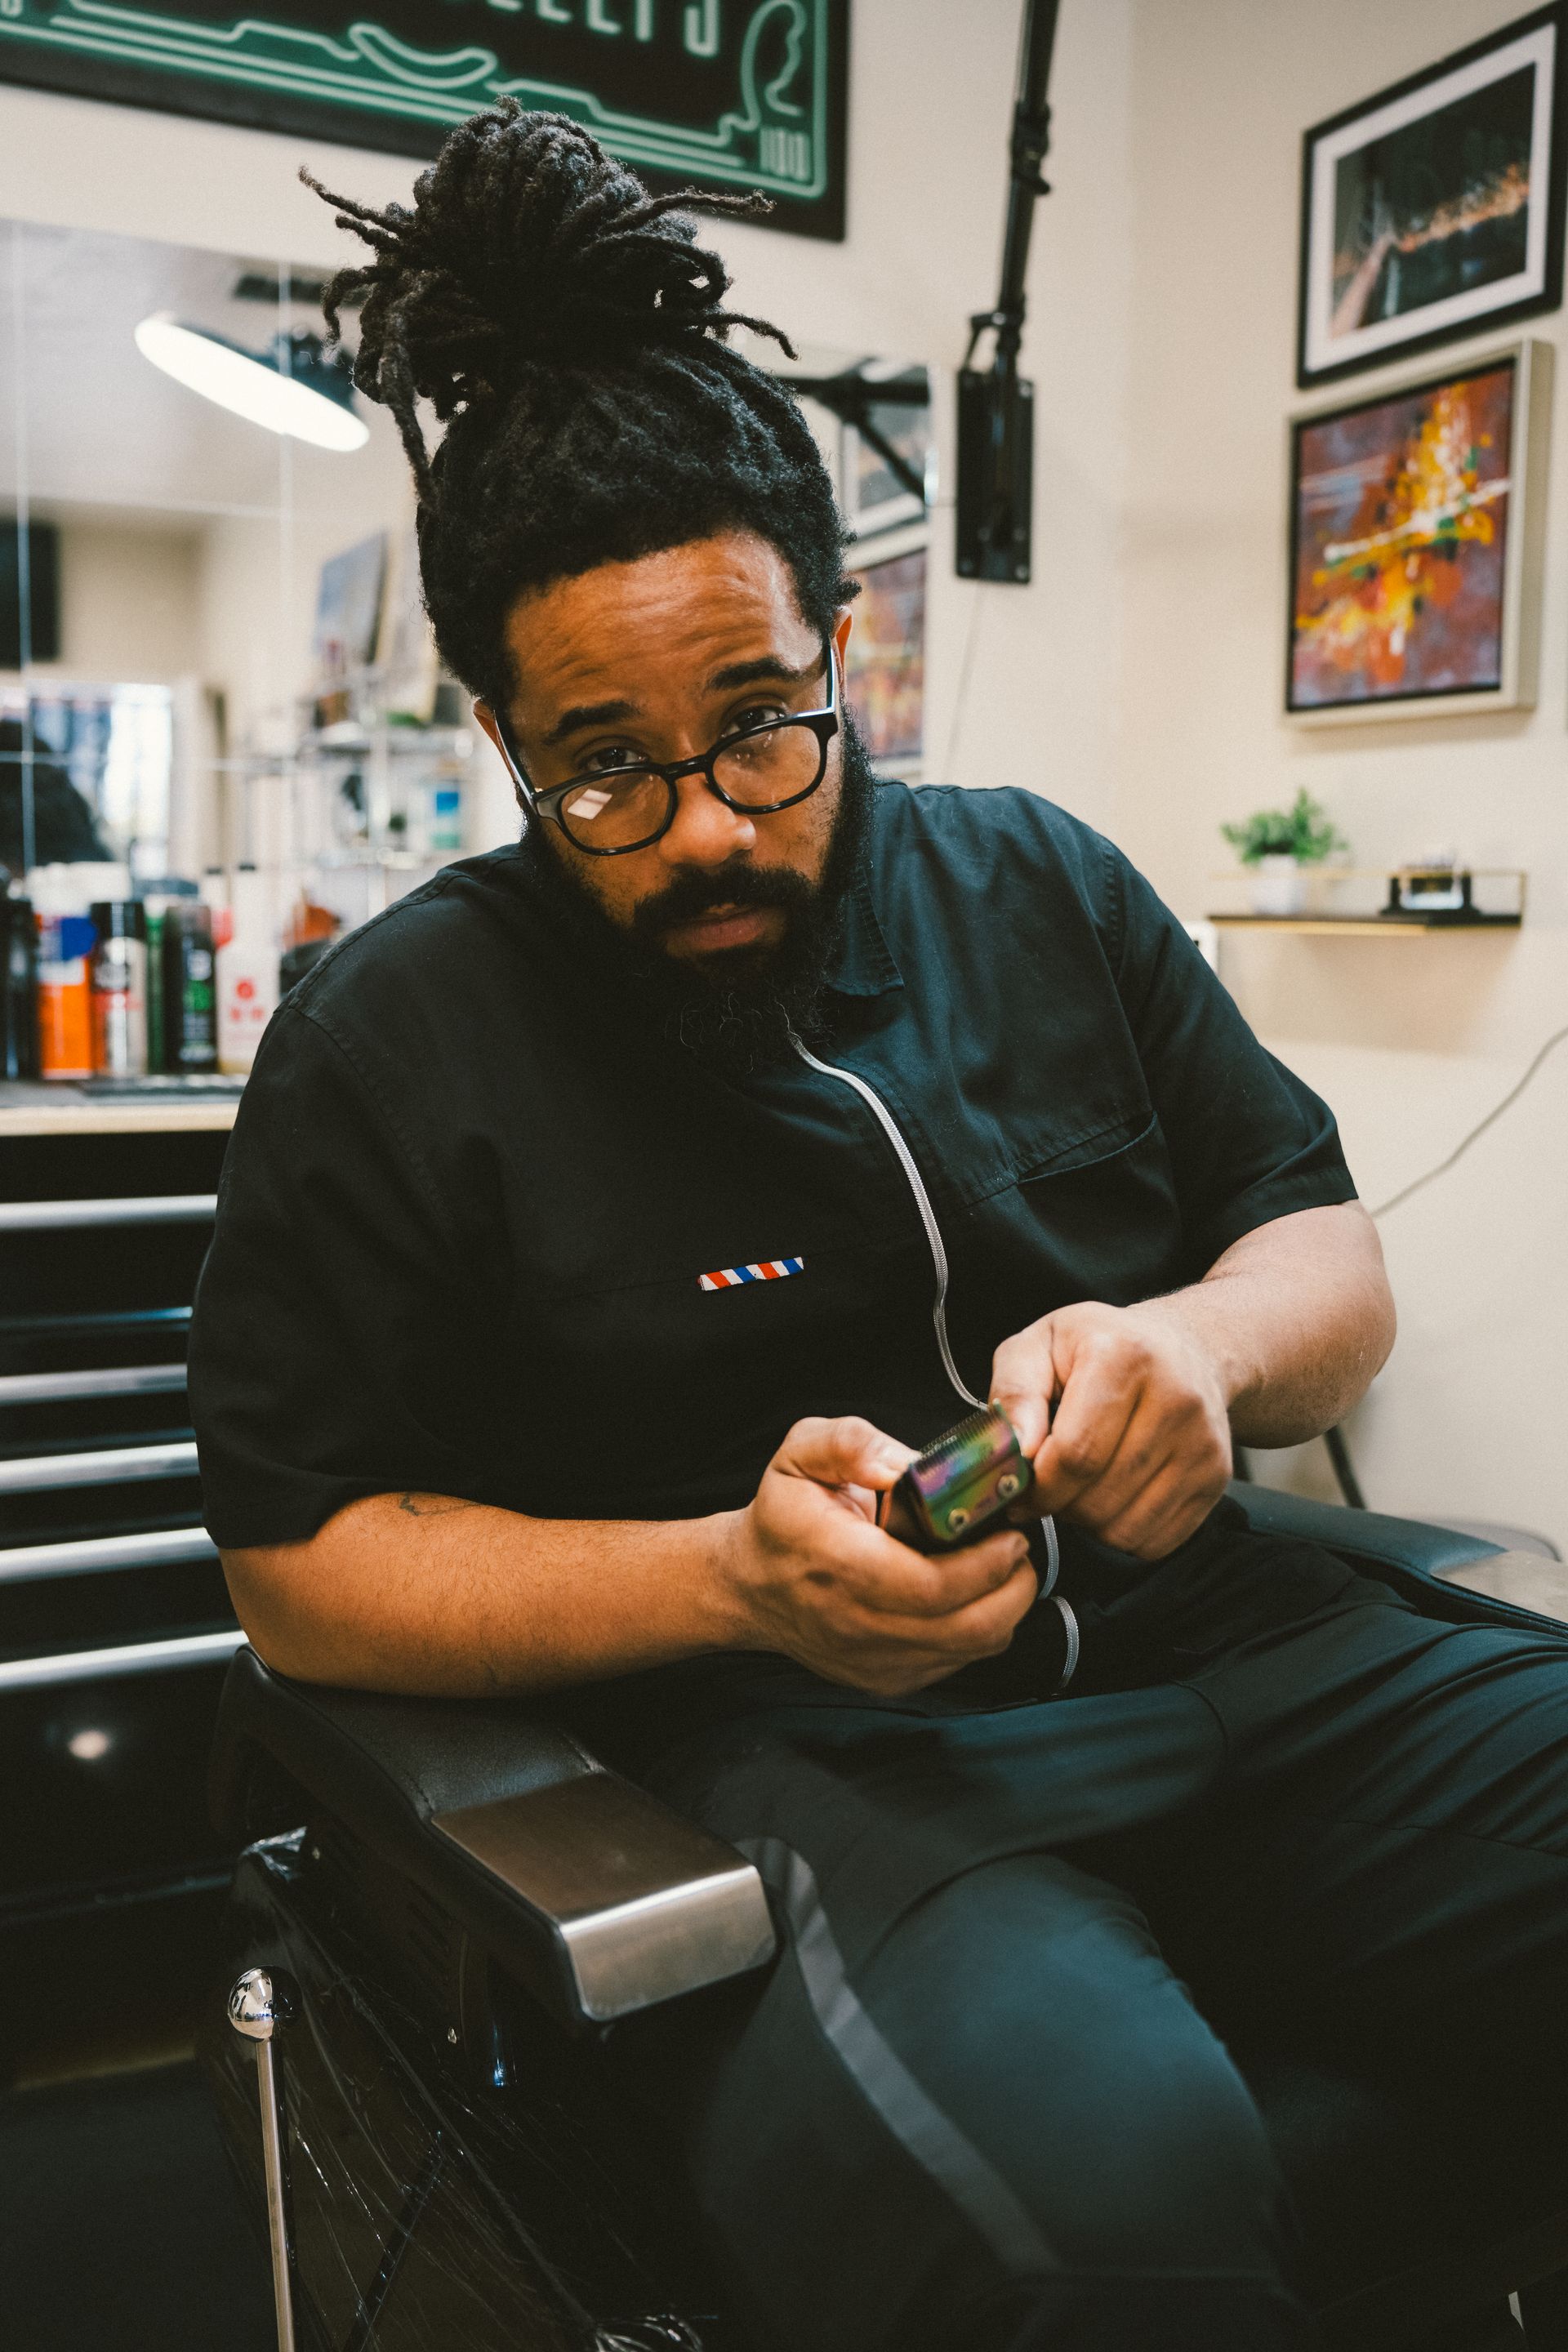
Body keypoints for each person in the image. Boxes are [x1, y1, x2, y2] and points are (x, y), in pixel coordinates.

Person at [189, 105, 1568, 2352]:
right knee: (1104, 2204)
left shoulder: (1041, 881)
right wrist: (721, 1577)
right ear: (501, 738)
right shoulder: (394, 1034)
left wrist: (1200, 1359)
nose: (707, 829)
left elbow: (1327, 1264)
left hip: (1231, 1655)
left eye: (762, 728)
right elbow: (300, 1568)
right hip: (792, 1758)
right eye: (606, 769)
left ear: (853, 649)